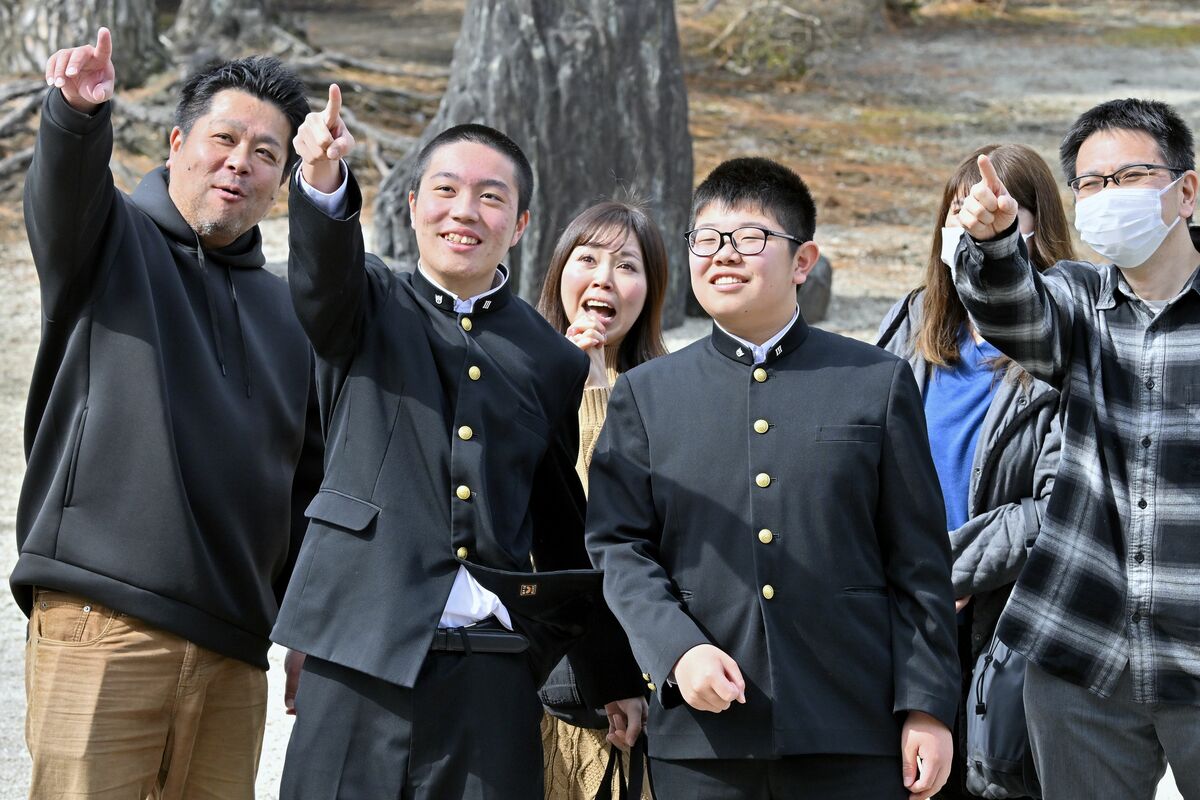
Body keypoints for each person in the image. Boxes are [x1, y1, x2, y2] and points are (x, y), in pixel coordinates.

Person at [272, 87, 645, 799]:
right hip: (360, 652)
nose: (465, 212)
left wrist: (611, 674)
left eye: (490, 197)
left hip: (494, 667)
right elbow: (321, 278)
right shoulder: (367, 305)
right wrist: (320, 178)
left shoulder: (552, 358)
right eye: (444, 191)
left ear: (521, 222)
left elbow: (562, 524)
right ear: (412, 207)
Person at [586, 156, 959, 800]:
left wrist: (926, 707)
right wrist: (677, 652)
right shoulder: (647, 395)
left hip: (851, 723)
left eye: (751, 238)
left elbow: (918, 561)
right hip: (703, 733)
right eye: (707, 239)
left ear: (803, 260)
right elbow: (619, 548)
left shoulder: (874, 382)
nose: (724, 255)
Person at [15, 27, 322, 799]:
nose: (239, 162)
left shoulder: (289, 312)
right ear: (179, 142)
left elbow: (305, 486)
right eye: (224, 138)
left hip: (232, 651)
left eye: (265, 153)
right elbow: (63, 197)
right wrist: (75, 117)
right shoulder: (109, 243)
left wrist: (309, 624)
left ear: (281, 180)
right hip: (102, 626)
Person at [953, 98, 1200, 799]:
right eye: (1090, 184)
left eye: (1129, 176)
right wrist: (997, 242)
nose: (1105, 196)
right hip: (1082, 650)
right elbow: (1011, 311)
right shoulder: (1077, 297)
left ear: (1186, 190)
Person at [876, 143, 1070, 799]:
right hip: (902, 618)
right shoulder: (909, 323)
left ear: (1034, 227)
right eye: (958, 213)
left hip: (1004, 628)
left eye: (992, 212)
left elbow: (1064, 504)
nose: (971, 229)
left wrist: (950, 569)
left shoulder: (1067, 344)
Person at [534, 201, 669, 799]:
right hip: (550, 672)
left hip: (648, 666)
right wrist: (575, 379)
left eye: (627, 265)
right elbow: (561, 517)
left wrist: (597, 382)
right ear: (559, 269)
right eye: (587, 258)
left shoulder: (672, 392)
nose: (604, 279)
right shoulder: (513, 379)